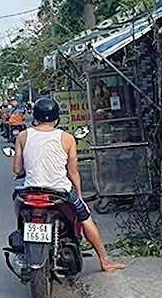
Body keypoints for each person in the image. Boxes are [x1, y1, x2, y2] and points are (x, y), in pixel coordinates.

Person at [11, 96, 124, 273]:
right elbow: (73, 172)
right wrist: (79, 195)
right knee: (85, 218)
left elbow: (17, 169)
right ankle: (104, 260)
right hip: (59, 192)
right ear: (57, 117)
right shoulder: (67, 138)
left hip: (30, 192)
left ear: (35, 116)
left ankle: (24, 247)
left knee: (19, 208)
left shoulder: (23, 136)